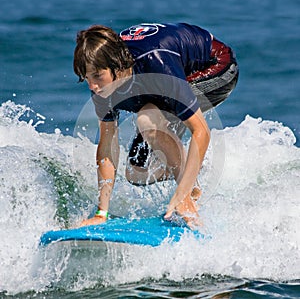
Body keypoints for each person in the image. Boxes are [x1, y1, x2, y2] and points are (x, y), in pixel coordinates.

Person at [73, 23, 238, 229]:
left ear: (117, 66)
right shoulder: (101, 90)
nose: (92, 86)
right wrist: (101, 213)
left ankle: (188, 197)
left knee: (147, 119)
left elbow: (201, 131)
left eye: (97, 76)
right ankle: (190, 169)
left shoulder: (157, 64)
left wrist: (181, 193)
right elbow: (107, 147)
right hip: (161, 84)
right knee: (136, 172)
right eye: (86, 78)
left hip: (216, 67)